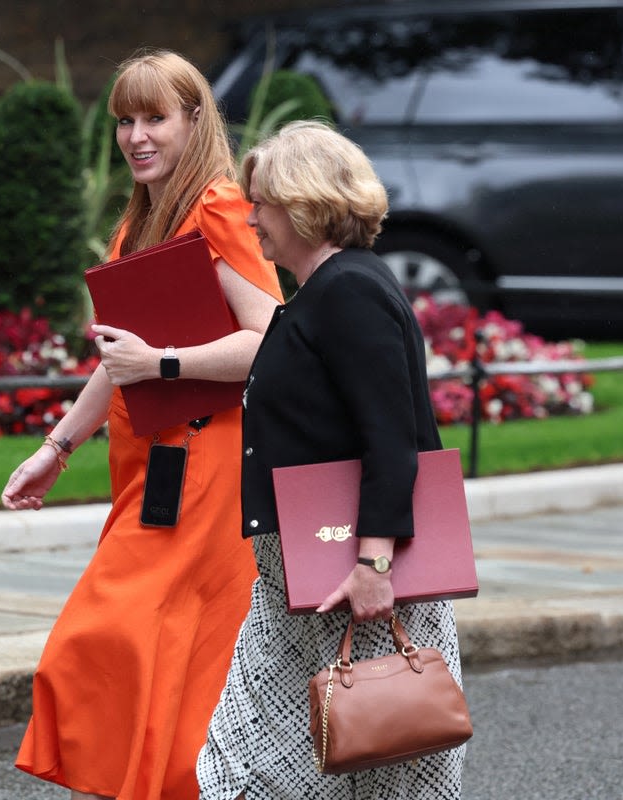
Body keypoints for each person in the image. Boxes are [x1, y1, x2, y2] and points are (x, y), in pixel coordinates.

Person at [1, 50, 283, 800]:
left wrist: (163, 363)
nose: (136, 135)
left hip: (204, 461)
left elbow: (269, 337)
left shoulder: (218, 207)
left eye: (155, 117)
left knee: (110, 634)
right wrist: (56, 448)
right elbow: (115, 359)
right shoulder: (141, 218)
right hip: (150, 462)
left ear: (195, 120)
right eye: (125, 120)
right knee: (163, 649)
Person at [197, 120, 465, 799]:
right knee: (242, 760)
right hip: (297, 579)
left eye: (260, 203)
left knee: (385, 764)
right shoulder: (321, 294)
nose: (250, 217)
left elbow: (390, 437)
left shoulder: (350, 291)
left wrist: (375, 564)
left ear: (303, 202)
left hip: (358, 580)